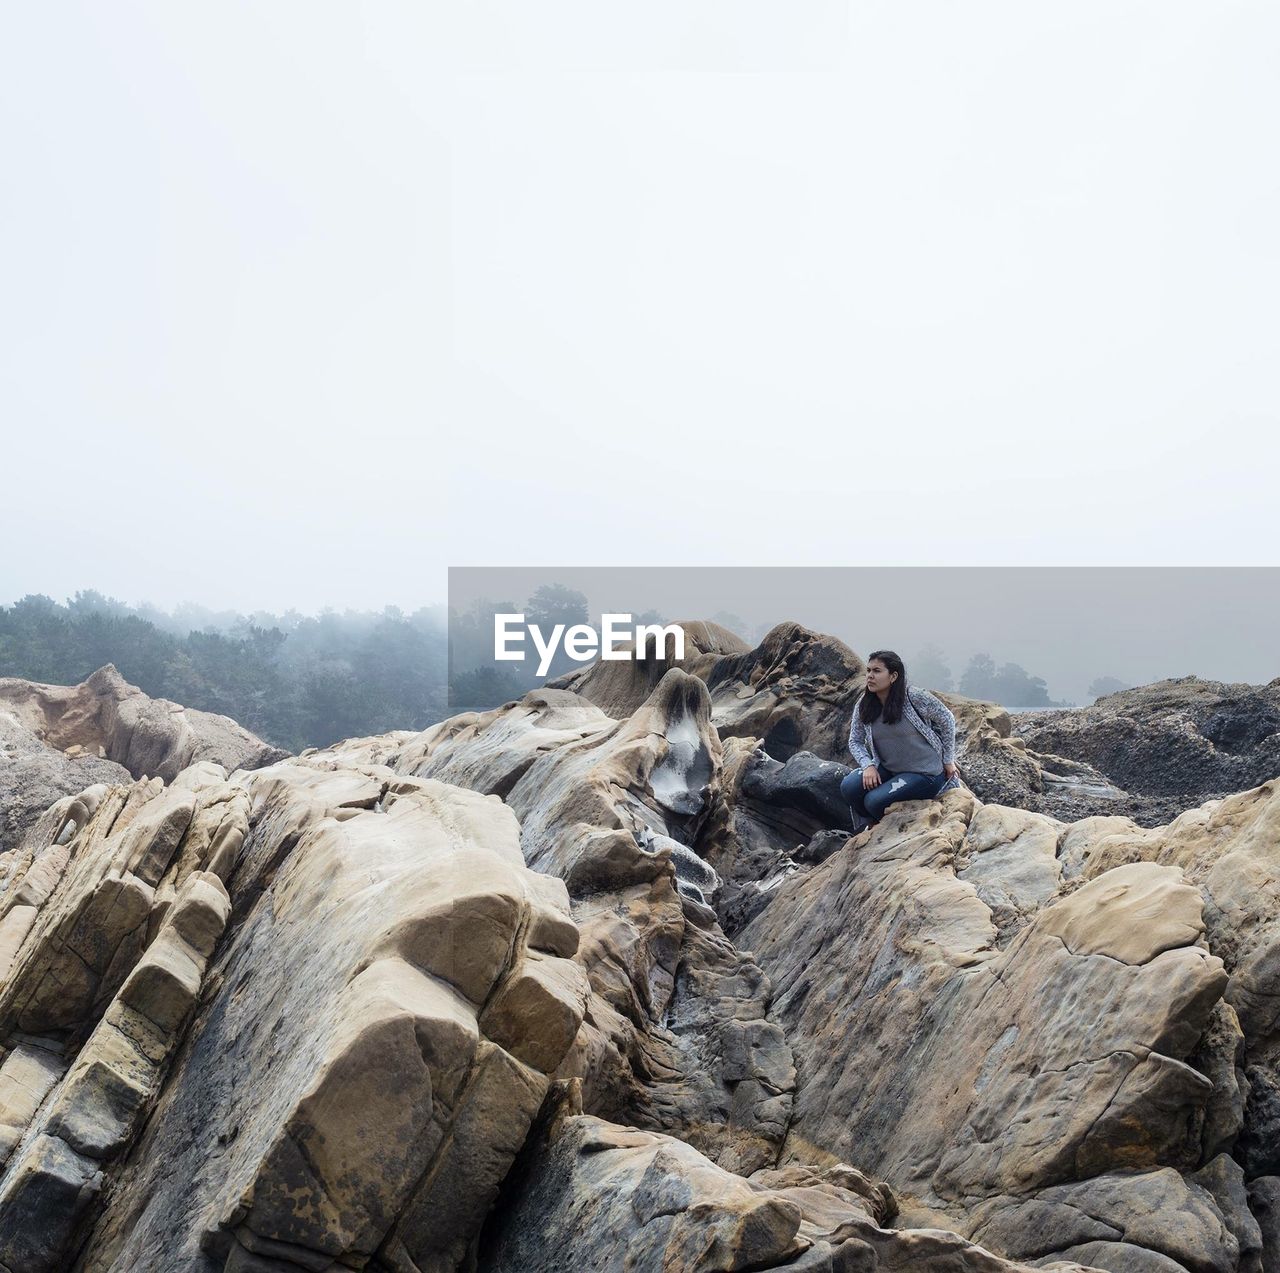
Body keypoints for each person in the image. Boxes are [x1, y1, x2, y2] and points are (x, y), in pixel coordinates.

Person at [840, 649, 959, 828]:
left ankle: (882, 824)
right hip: (890, 769)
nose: (870, 676)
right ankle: (871, 825)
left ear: (893, 676)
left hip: (925, 773)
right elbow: (855, 740)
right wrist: (868, 765)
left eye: (877, 671)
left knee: (873, 801)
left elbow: (948, 719)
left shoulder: (914, 697)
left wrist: (948, 760)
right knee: (849, 787)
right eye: (869, 670)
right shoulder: (864, 704)